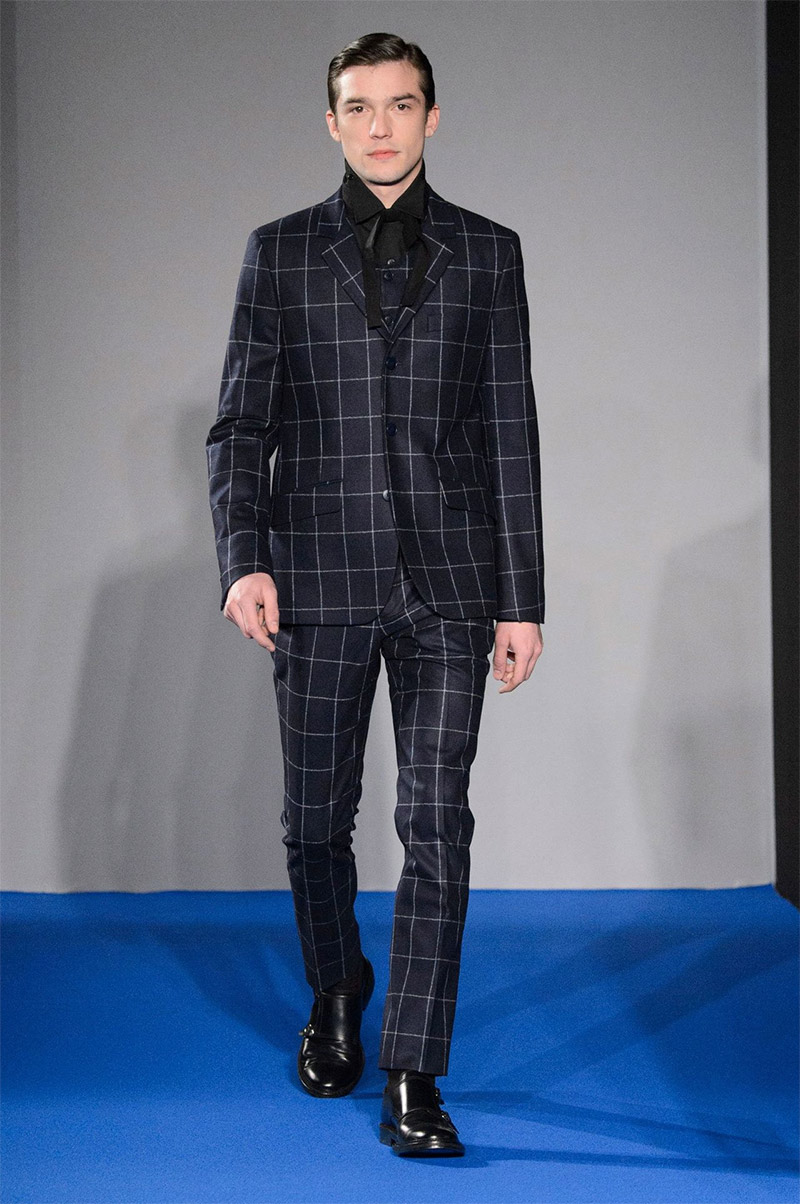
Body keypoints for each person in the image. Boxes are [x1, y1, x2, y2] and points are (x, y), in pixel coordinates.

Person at [206, 31, 544, 1157]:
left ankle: (413, 1070)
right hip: (316, 576)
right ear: (332, 122)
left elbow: (509, 433)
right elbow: (240, 426)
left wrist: (521, 597)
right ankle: (338, 988)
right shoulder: (280, 253)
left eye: (400, 105)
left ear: (431, 117)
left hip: (449, 584)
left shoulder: (487, 253)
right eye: (359, 107)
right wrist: (244, 559)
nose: (381, 126)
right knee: (314, 823)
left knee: (436, 821)